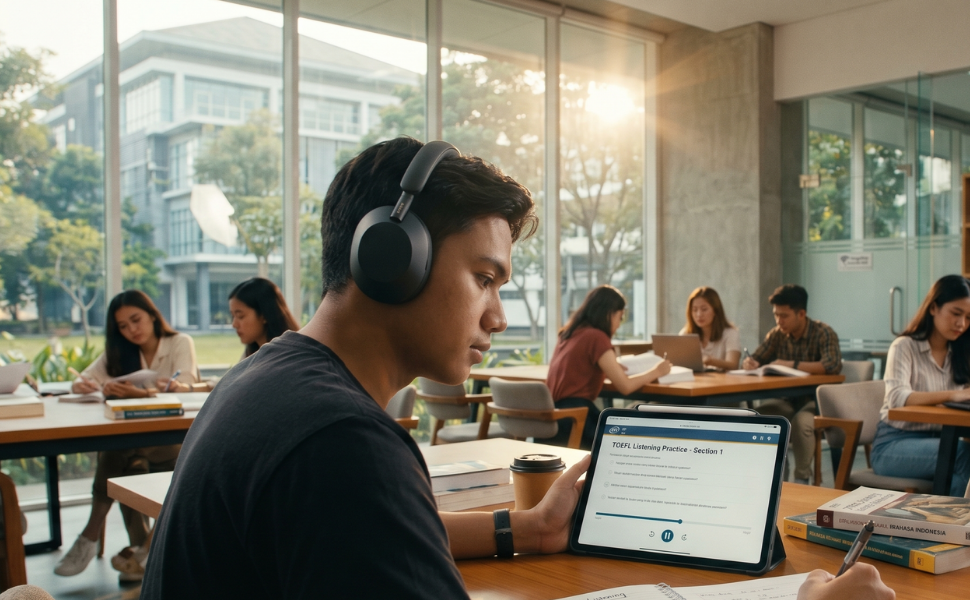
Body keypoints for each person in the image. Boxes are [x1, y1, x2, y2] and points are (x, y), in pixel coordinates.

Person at [139, 138, 892, 600]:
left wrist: (520, 531)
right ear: (393, 260)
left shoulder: (274, 379)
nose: (498, 318)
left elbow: (383, 530)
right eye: (486, 279)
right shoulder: (341, 443)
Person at [55, 290, 202, 581]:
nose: (132, 329)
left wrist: (143, 393)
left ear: (151, 315)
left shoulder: (179, 343)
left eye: (136, 320)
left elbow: (186, 389)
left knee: (117, 453)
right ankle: (142, 550)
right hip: (137, 444)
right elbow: (81, 380)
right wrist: (82, 386)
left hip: (171, 444)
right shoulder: (118, 352)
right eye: (123, 326)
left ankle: (91, 532)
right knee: (129, 457)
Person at [873, 275, 970, 497]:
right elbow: (897, 397)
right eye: (956, 313)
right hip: (893, 446)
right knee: (964, 456)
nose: (961, 324)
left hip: (942, 442)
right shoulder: (904, 346)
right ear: (934, 307)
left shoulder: (966, 353)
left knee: (969, 473)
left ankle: (947, 528)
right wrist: (953, 395)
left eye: (968, 317)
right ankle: (956, 529)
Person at [545, 285, 672, 447]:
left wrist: (611, 367)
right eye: (620, 317)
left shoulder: (569, 333)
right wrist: (657, 371)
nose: (619, 324)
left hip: (555, 419)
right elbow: (625, 387)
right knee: (648, 416)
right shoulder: (596, 337)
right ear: (609, 313)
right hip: (577, 419)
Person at [743, 284, 842, 483]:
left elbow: (832, 365)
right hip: (786, 400)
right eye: (776, 315)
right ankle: (777, 472)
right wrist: (749, 362)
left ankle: (801, 479)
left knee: (801, 424)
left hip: (816, 402)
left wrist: (791, 365)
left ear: (801, 313)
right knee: (761, 418)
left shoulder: (823, 332)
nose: (779, 321)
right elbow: (756, 357)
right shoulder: (777, 334)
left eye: (784, 315)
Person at [228, 277, 300, 358]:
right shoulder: (250, 354)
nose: (234, 324)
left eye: (240, 316)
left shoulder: (290, 356)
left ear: (264, 315)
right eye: (233, 316)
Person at [680, 286, 740, 371]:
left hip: (722, 382)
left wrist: (712, 361)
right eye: (694, 310)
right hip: (693, 382)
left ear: (715, 310)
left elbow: (733, 365)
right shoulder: (686, 333)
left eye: (704, 309)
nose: (699, 314)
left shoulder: (730, 333)